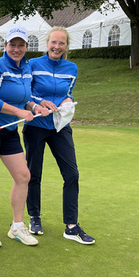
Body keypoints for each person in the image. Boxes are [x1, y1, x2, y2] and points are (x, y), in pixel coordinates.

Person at [0, 25, 50, 248]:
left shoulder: (25, 68)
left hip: (10, 129)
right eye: (12, 45)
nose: (16, 49)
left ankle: (17, 227)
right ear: (5, 46)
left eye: (21, 45)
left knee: (23, 175)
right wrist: (18, 112)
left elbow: (22, 97)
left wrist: (34, 106)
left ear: (26, 47)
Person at [23, 26, 96, 244]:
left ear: (66, 46)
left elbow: (67, 92)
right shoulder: (33, 64)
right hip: (36, 125)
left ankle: (71, 226)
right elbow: (25, 91)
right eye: (53, 42)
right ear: (47, 43)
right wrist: (39, 101)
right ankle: (34, 217)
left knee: (72, 174)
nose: (57, 47)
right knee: (33, 174)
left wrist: (66, 99)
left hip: (60, 126)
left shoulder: (72, 68)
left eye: (61, 43)